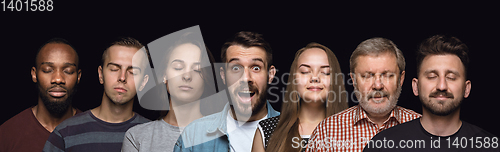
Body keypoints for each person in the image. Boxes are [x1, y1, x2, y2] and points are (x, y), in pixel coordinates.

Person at [364, 35, 499, 152]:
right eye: (432, 76)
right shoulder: (383, 146)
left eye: (451, 77)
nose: (441, 86)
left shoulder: (490, 147)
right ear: (415, 87)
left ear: (466, 88)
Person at [306, 37, 421, 152]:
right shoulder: (326, 132)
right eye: (367, 76)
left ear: (401, 79)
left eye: (387, 75)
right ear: (354, 80)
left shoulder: (423, 128)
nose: (378, 85)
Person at [173, 31, 280, 152]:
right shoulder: (193, 136)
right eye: (236, 68)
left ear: (270, 75)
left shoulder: (295, 131)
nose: (245, 78)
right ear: (223, 75)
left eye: (256, 68)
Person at [43, 37, 151, 152]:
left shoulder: (153, 135)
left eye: (133, 72)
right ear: (100, 75)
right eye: (114, 69)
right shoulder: (65, 133)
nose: (122, 77)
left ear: (143, 82)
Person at [122, 31, 218, 152]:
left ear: (206, 79)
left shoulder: (223, 135)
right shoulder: (137, 136)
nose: (187, 76)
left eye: (198, 70)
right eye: (178, 67)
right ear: (164, 76)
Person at [252, 42, 349, 152]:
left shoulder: (354, 132)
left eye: (325, 72)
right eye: (305, 71)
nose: (315, 78)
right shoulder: (267, 130)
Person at [0, 38, 83, 152]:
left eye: (68, 71)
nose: (58, 79)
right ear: (34, 74)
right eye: (48, 70)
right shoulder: (7, 133)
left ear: (78, 76)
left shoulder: (95, 132)